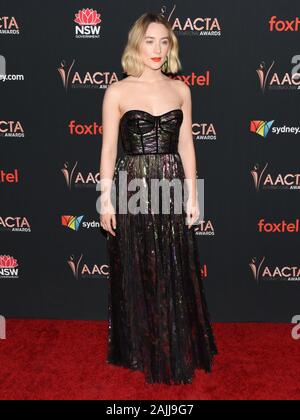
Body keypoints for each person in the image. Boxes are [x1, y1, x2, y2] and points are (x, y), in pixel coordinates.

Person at [99, 12, 218, 385]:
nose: (157, 49)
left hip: (171, 182)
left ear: (171, 47)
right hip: (133, 182)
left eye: (164, 42)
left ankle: (173, 342)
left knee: (171, 261)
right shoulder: (117, 91)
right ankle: (140, 346)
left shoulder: (181, 89)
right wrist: (105, 200)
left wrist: (193, 196)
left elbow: (186, 144)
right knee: (137, 262)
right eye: (150, 41)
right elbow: (107, 150)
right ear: (137, 43)